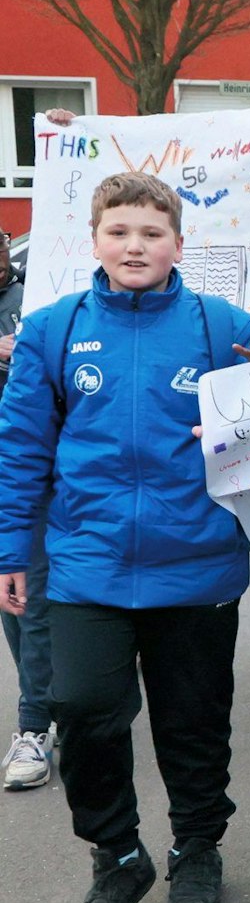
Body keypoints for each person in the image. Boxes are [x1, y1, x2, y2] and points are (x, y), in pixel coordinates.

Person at [0, 172, 250, 903]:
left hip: (194, 567)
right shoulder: (53, 330)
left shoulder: (222, 326)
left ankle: (197, 847)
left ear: (178, 246)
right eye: (119, 232)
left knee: (194, 724)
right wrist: (10, 550)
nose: (135, 245)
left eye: (151, 233)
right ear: (94, 241)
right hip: (87, 567)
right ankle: (117, 857)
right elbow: (21, 450)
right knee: (84, 714)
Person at [0, 229, 57, 792]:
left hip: (32, 464)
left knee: (30, 590)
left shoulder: (37, 299)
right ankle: (46, 696)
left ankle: (34, 723)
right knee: (10, 601)